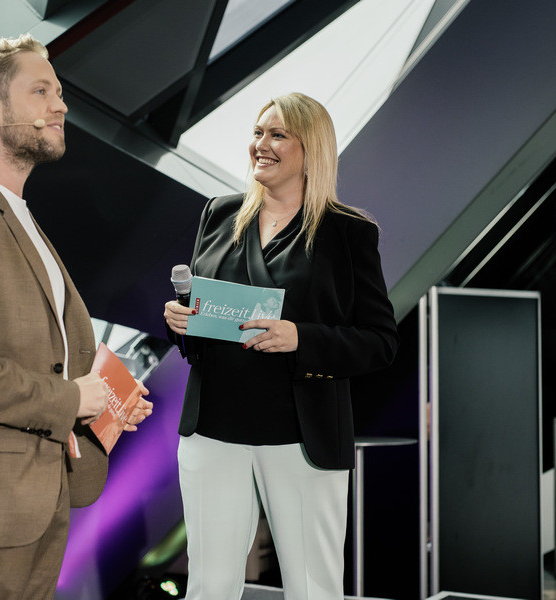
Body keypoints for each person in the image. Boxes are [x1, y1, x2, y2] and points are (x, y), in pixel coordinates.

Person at [0, 34, 152, 599]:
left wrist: (109, 399)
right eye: (41, 91)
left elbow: (45, 351)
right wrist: (70, 399)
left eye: (58, 93)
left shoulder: (18, 215)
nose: (59, 105)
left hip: (38, 493)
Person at [163, 92, 398, 599]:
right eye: (257, 132)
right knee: (207, 587)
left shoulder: (348, 232)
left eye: (277, 135)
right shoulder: (219, 214)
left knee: (313, 589)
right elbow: (204, 322)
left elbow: (380, 343)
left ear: (311, 149)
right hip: (214, 429)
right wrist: (181, 323)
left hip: (301, 437)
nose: (260, 144)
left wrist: (301, 337)